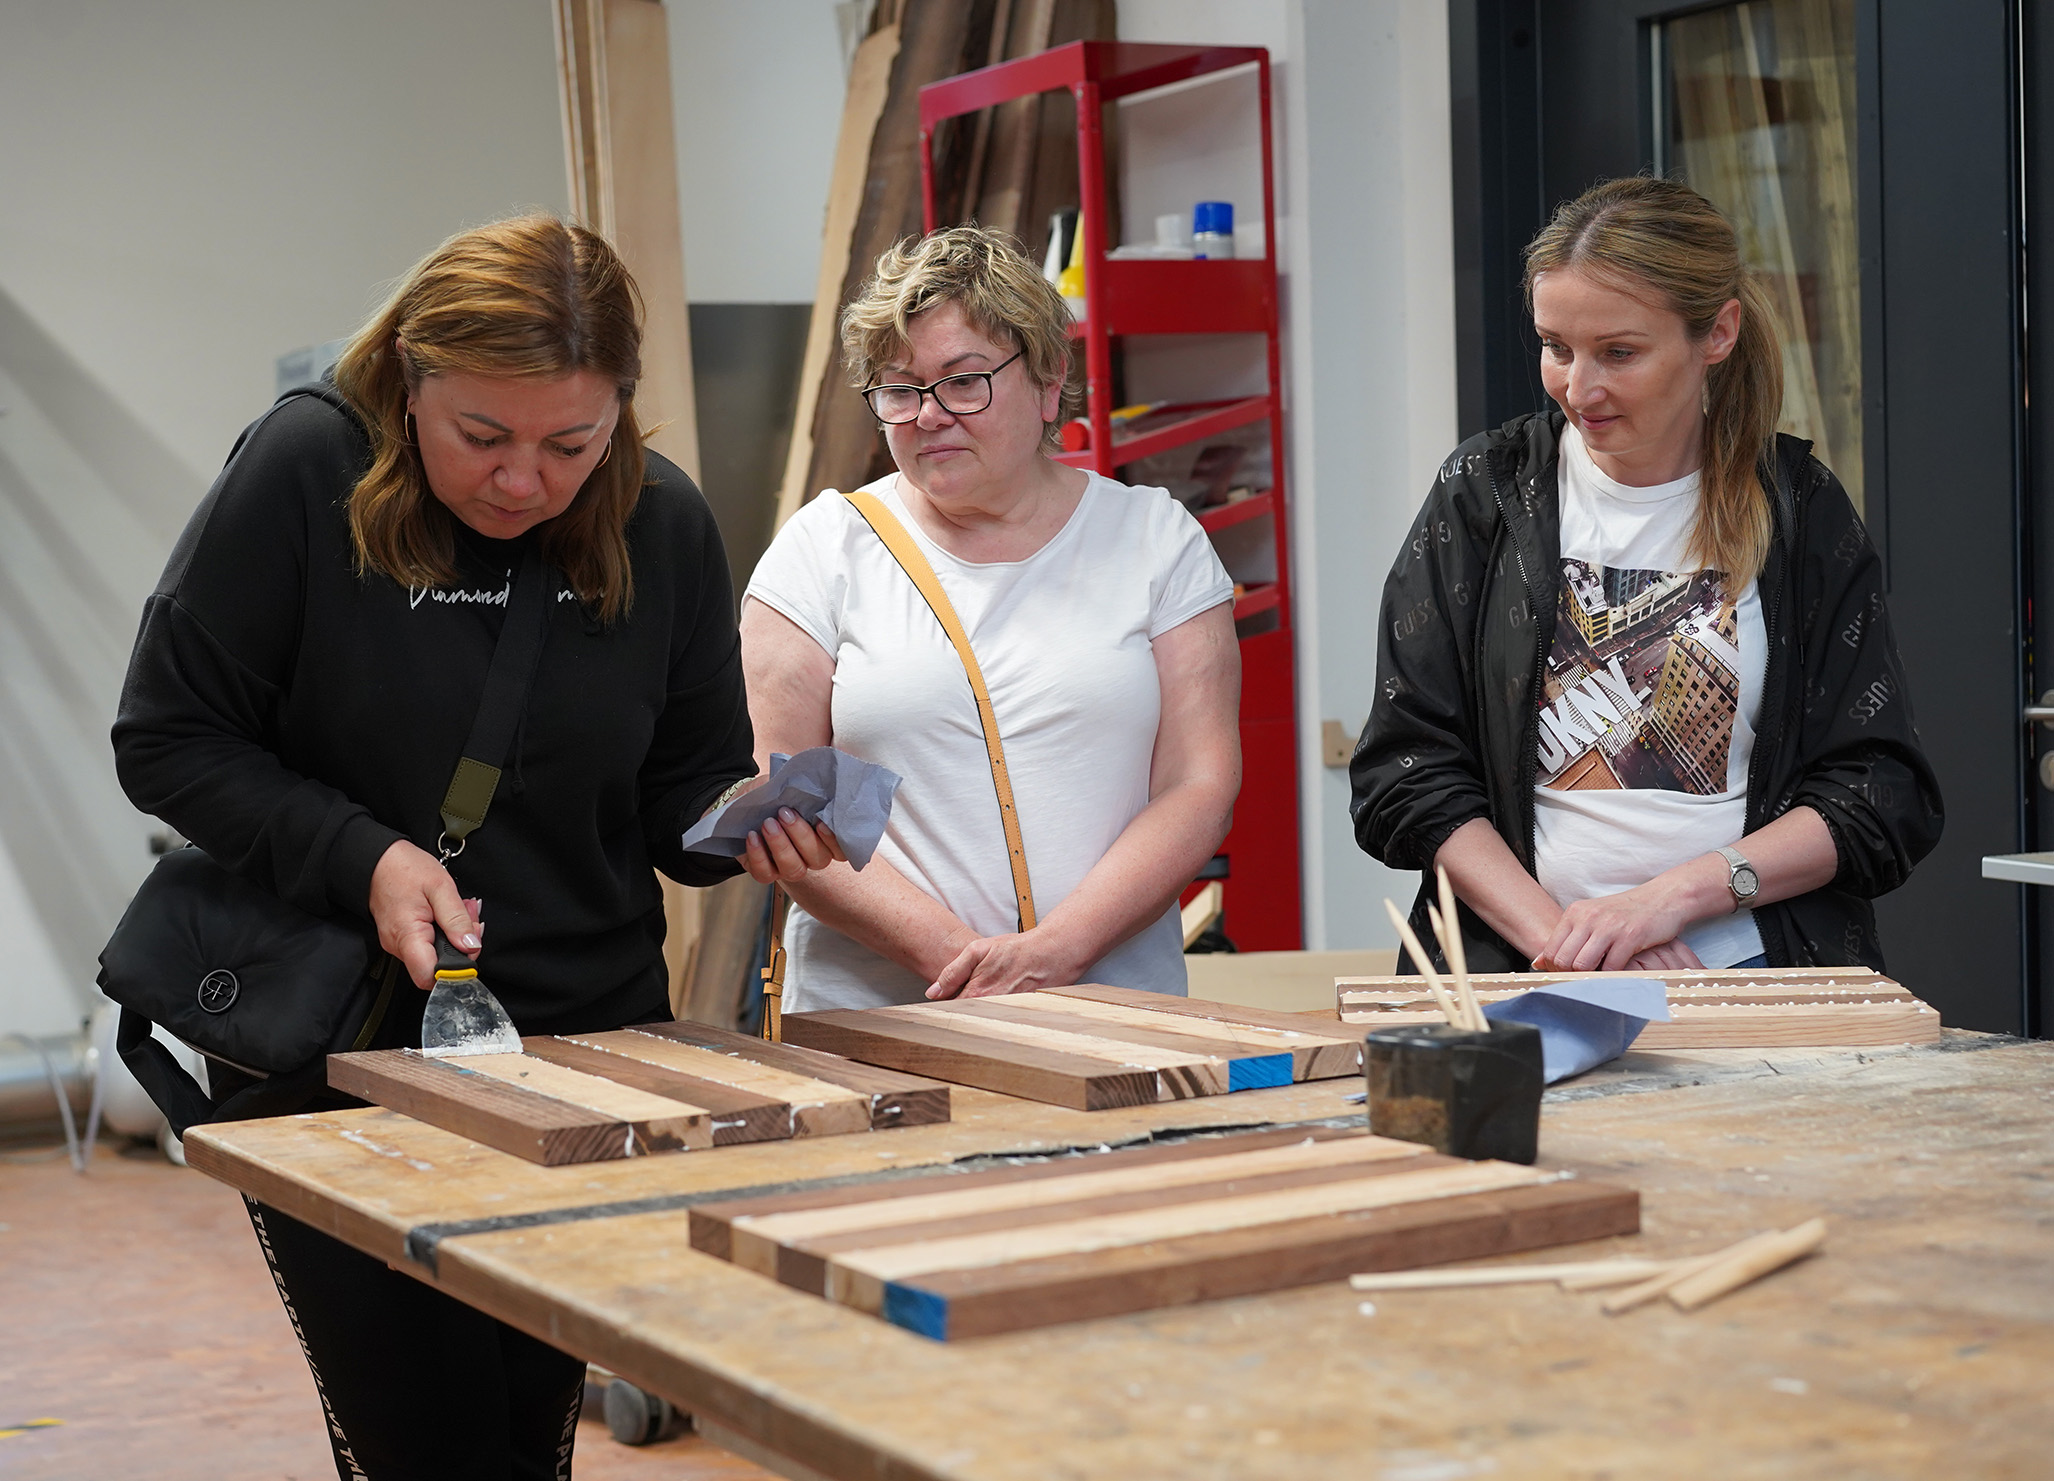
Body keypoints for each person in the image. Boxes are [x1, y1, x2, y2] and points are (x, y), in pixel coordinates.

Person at [111, 216, 839, 1481]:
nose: (524, 482)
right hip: (339, 1044)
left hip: (578, 1048)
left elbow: (679, 795)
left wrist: (750, 823)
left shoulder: (661, 524)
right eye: (481, 438)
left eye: (573, 442)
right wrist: (366, 856)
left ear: (620, 408)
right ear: (405, 382)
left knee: (525, 1430)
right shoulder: (303, 469)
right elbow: (169, 738)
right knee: (426, 1444)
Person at [1351, 176, 1940, 976]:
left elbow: (1879, 791)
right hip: (1519, 973)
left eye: (1619, 353)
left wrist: (1673, 899)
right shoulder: (1484, 494)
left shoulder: (1800, 508)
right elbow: (1405, 772)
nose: (1578, 388)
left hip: (1751, 970)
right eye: (1557, 347)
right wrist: (1575, 943)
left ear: (1718, 333)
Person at [742, 225, 1242, 1009]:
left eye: (964, 380)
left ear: (1049, 382)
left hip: (1113, 1015)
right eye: (900, 388)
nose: (929, 414)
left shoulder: (1153, 540)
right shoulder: (822, 550)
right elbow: (789, 816)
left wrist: (1058, 951)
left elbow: (1197, 784)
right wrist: (968, 966)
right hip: (882, 1027)